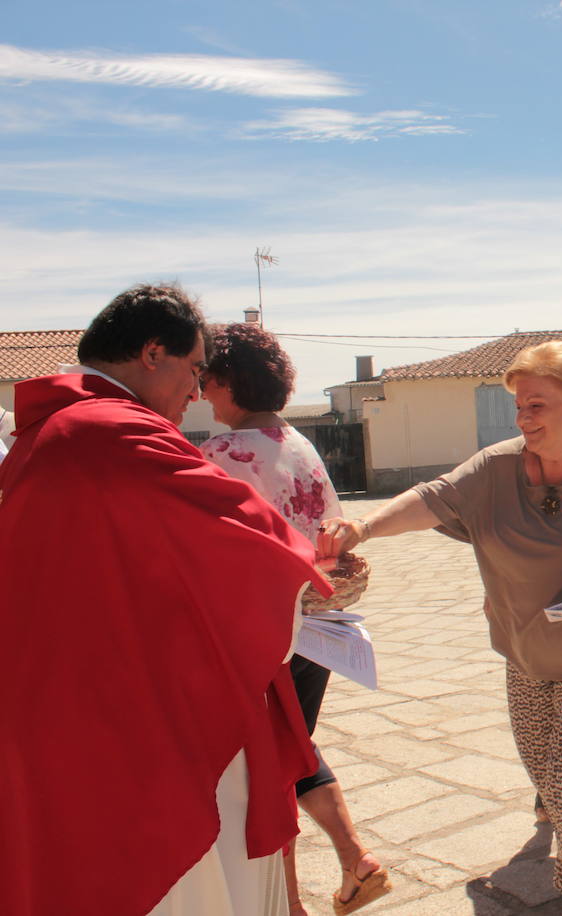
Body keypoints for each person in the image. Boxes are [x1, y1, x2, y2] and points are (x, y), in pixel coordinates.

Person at [318, 341, 562, 916]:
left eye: (537, 404)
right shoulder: (497, 467)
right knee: (560, 797)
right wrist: (362, 528)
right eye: (519, 405)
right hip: (526, 659)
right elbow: (432, 498)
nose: (522, 417)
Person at [1, 284, 326, 916]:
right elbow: (253, 542)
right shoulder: (116, 432)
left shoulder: (50, 435)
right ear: (153, 352)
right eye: (195, 370)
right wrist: (310, 573)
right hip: (134, 718)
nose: (199, 392)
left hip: (62, 700)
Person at [198, 323, 389, 916]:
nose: (202, 392)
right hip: (316, 630)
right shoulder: (298, 445)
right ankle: (351, 862)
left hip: (259, 635)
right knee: (293, 747)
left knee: (270, 762)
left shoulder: (221, 454)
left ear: (230, 380)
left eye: (207, 379)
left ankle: (293, 899)